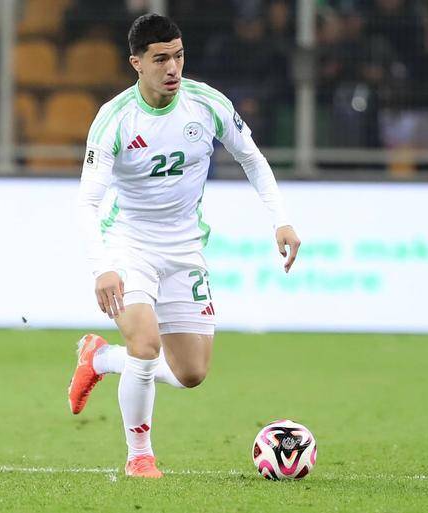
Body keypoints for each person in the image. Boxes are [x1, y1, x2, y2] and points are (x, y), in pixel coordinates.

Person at [68, 14, 301, 478]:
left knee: (190, 373)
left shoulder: (206, 104)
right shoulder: (115, 118)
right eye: (160, 59)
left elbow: (253, 159)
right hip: (129, 244)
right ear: (136, 63)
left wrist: (281, 220)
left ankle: (100, 357)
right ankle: (139, 456)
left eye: (178, 56)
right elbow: (87, 202)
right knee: (144, 344)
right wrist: (102, 267)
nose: (172, 68)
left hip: (185, 248)